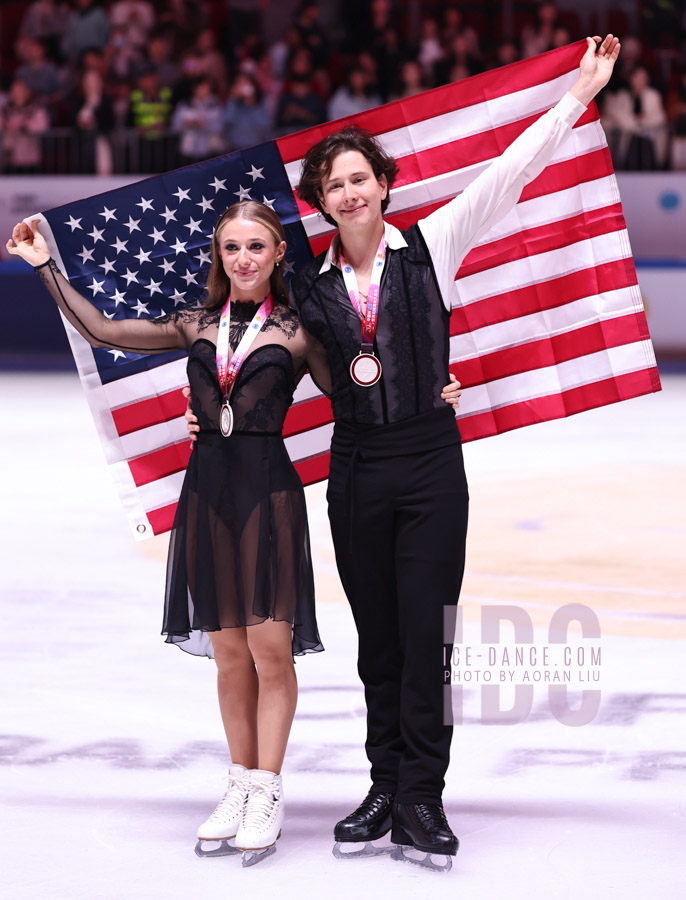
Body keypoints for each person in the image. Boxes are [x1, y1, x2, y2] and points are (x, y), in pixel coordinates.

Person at [186, 34, 621, 870]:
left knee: (426, 638)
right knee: (378, 643)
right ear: (320, 201)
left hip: (428, 465)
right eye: (334, 184)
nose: (350, 193)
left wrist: (576, 95)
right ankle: (384, 786)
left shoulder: (434, 245)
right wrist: (206, 403)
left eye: (361, 178)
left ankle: (423, 796)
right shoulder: (305, 286)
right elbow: (241, 330)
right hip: (355, 469)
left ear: (384, 184)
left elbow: (508, 174)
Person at [5, 201, 332, 866]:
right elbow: (101, 330)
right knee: (230, 655)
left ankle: (268, 789)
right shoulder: (195, 323)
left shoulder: (300, 331)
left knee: (271, 651)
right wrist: (45, 266)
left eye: (256, 246)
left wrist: (430, 388)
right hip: (207, 492)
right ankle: (240, 782)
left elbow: (356, 393)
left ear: (277, 254)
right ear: (220, 256)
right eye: (232, 247)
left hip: (267, 494)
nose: (243, 259)